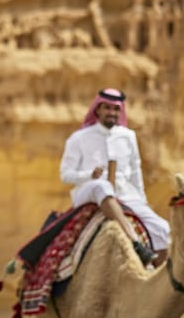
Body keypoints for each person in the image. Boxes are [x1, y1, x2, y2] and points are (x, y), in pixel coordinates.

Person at [59, 88, 170, 267]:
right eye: (108, 108)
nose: (112, 113)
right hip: (89, 191)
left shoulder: (128, 137)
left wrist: (142, 200)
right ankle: (135, 242)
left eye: (116, 109)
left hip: (124, 194)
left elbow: (135, 171)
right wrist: (89, 175)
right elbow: (65, 175)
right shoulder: (79, 138)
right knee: (101, 186)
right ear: (98, 109)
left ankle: (155, 275)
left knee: (162, 228)